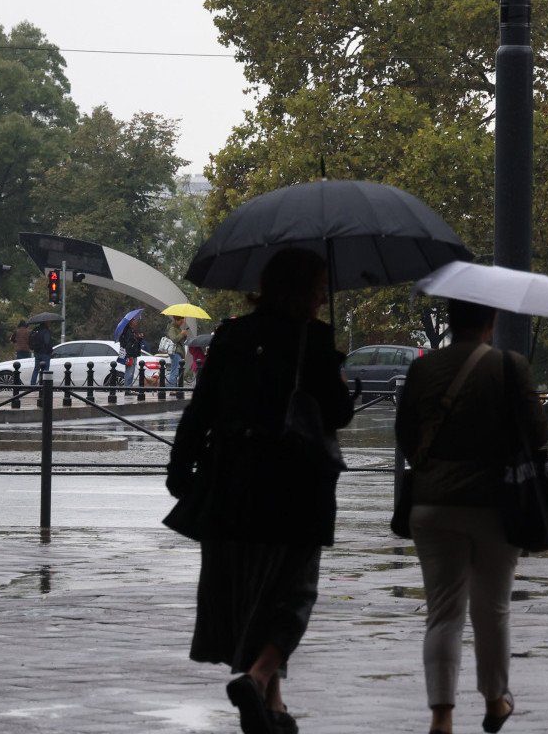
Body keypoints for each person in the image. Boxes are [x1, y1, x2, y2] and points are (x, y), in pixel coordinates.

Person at [167, 247, 354, 734]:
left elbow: (200, 409)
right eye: (319, 284)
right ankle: (259, 676)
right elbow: (338, 414)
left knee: (248, 590)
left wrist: (180, 468)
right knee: (294, 592)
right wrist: (332, 367)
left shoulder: (232, 335)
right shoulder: (312, 339)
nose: (322, 293)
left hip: (231, 484)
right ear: (301, 288)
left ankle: (272, 705)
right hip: (295, 487)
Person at [395, 299, 548, 734]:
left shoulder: (423, 369)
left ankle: (441, 717)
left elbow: (405, 432)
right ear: (492, 321)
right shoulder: (509, 366)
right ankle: (495, 701)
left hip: (432, 502)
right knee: (492, 609)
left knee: (443, 612)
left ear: (449, 319)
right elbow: (538, 432)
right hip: (496, 505)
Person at [118, 316, 143, 392]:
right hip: (130, 355)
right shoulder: (128, 331)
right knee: (129, 372)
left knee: (131, 372)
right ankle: (127, 389)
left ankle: (129, 388)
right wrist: (130, 355)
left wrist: (139, 337)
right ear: (130, 321)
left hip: (134, 354)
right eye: (134, 320)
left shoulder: (133, 331)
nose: (135, 321)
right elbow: (128, 344)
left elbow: (134, 342)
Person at [28, 321, 54, 386]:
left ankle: (32, 384)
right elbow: (47, 342)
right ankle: (45, 385)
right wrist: (50, 351)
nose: (50, 323)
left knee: (36, 369)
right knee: (46, 370)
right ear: (46, 322)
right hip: (45, 353)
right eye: (49, 322)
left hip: (37, 352)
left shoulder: (36, 329)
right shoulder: (45, 331)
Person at [165, 315, 188, 386]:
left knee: (177, 370)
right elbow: (174, 339)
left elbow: (181, 340)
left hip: (179, 351)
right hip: (175, 351)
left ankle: (173, 387)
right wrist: (181, 334)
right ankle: (172, 388)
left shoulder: (177, 328)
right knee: (174, 370)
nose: (181, 323)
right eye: (180, 322)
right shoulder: (172, 328)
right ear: (176, 320)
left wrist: (184, 335)